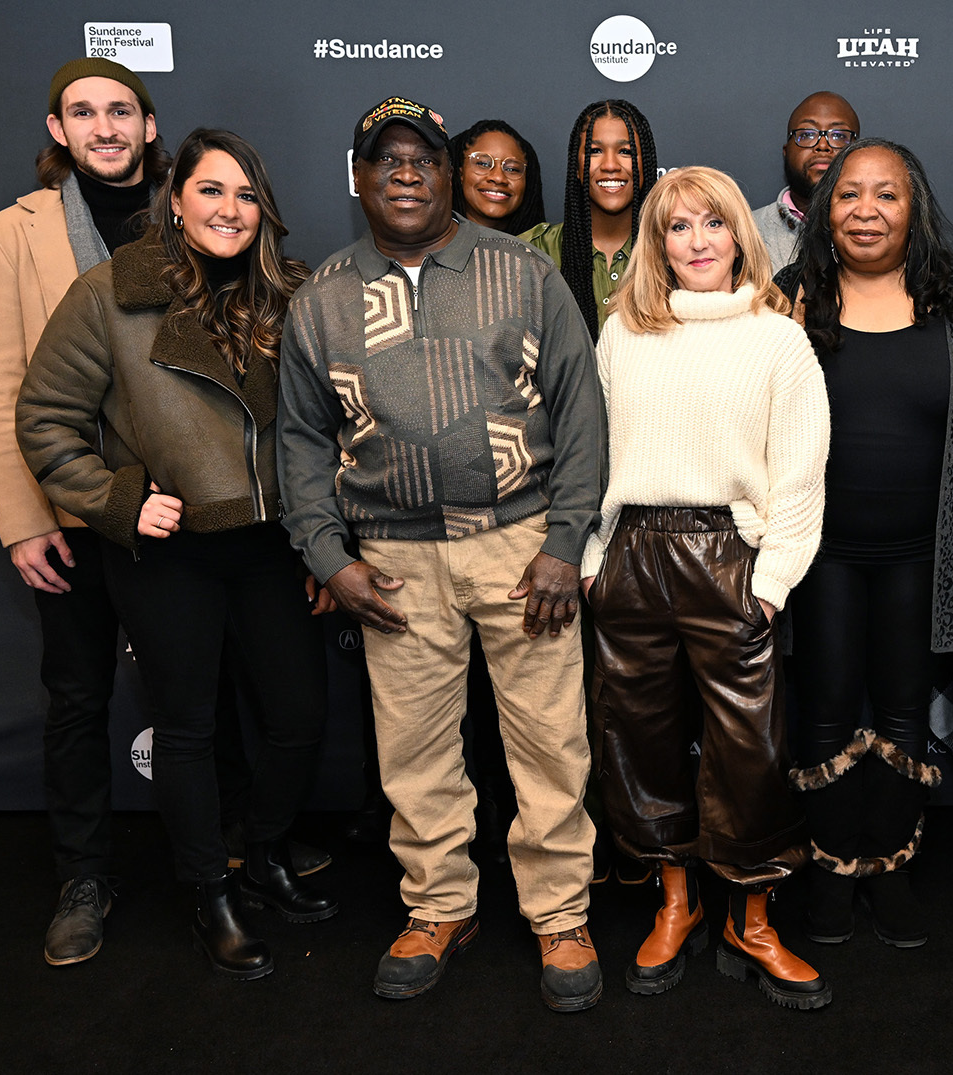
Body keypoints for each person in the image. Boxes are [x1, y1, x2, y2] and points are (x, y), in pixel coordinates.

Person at [276, 97, 607, 1011]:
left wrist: (563, 541)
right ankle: (438, 906)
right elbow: (300, 441)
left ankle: (560, 914)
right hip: (391, 558)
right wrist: (328, 555)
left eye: (425, 157)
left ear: (449, 173)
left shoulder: (524, 273)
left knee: (548, 743)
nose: (407, 172)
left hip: (520, 544)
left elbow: (582, 413)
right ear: (359, 178)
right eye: (386, 159)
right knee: (415, 750)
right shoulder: (324, 296)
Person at [17, 128, 337, 980]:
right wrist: (118, 499)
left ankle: (261, 851)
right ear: (177, 199)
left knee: (300, 713)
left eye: (245, 194)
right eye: (211, 191)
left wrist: (327, 541)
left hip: (274, 543)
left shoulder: (294, 295)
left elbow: (327, 431)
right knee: (188, 728)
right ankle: (211, 890)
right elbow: (45, 418)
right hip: (170, 552)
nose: (229, 210)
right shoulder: (110, 294)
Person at [582, 166, 831, 1009]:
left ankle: (751, 917)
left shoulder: (777, 337)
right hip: (633, 552)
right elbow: (592, 458)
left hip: (731, 554)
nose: (696, 242)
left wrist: (771, 582)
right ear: (656, 243)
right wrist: (593, 559)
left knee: (748, 750)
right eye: (677, 227)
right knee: (638, 740)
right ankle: (677, 903)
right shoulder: (622, 329)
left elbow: (800, 474)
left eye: (712, 224)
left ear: (740, 235)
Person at [775, 138, 953, 949]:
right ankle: (830, 866)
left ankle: (889, 864)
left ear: (913, 205)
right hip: (818, 551)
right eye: (849, 194)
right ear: (824, 207)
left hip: (927, 548)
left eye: (886, 194)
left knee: (905, 709)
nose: (866, 210)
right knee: (823, 710)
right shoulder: (789, 298)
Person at [0, 56, 168, 967]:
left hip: (181, 503)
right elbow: (2, 379)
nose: (104, 127)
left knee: (208, 688)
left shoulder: (200, 205)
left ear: (148, 123)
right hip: (75, 506)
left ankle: (239, 852)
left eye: (120, 111)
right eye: (83, 113)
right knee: (78, 696)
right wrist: (24, 516)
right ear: (58, 131)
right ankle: (83, 874)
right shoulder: (11, 233)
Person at [521, 99, 657, 339]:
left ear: (645, 164)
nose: (610, 165)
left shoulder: (674, 251)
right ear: (576, 166)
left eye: (626, 152)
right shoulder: (533, 251)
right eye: (595, 151)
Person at [752, 91, 859, 269]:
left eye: (839, 135)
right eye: (807, 134)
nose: (823, 146)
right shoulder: (748, 230)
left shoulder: (876, 231)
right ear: (786, 152)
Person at [448, 119, 545, 236]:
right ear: (460, 173)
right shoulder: (428, 248)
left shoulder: (543, 250)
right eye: (483, 164)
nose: (498, 178)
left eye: (512, 169)